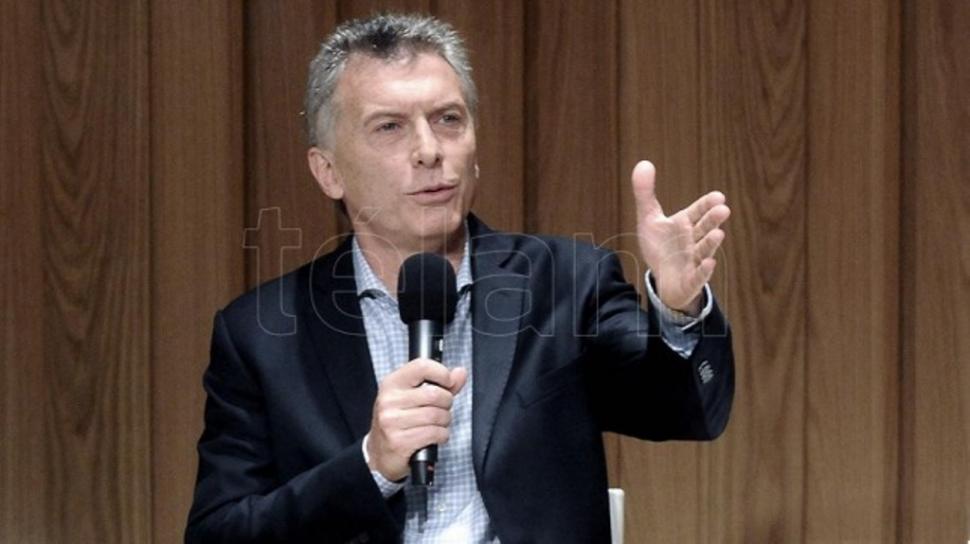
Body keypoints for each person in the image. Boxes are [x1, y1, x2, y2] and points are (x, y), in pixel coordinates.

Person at [186, 13, 734, 544]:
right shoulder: (262, 335)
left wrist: (678, 308)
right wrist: (371, 464)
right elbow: (219, 531)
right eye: (390, 127)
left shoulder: (566, 283)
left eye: (448, 119)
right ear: (328, 171)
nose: (429, 151)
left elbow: (686, 411)